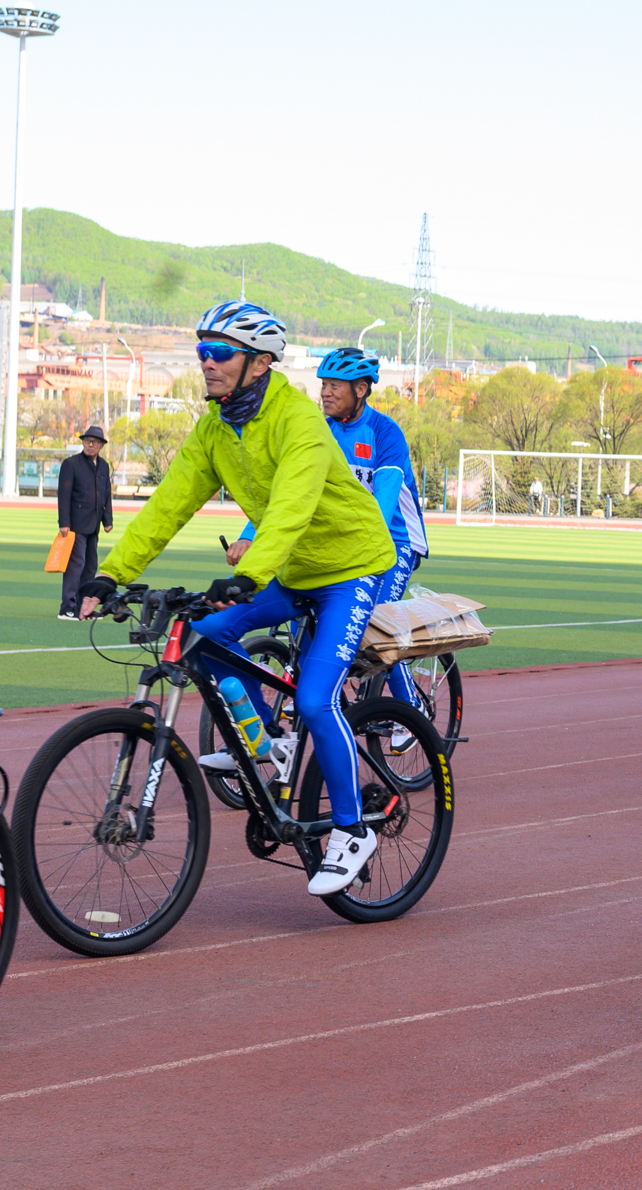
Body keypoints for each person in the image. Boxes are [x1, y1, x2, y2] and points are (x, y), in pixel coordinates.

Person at [79, 300, 395, 897]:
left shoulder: (297, 420)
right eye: (203, 351)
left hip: (351, 569)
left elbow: (291, 507)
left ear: (258, 361)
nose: (207, 363)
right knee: (207, 635)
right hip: (291, 569)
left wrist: (249, 574)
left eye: (219, 352)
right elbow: (169, 504)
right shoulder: (215, 427)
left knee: (316, 697)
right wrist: (112, 574)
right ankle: (268, 740)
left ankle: (353, 831)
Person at [233, 347, 429, 709]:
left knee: (375, 622)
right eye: (324, 384)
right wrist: (248, 536)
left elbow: (382, 507)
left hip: (394, 541)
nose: (325, 392)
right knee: (301, 597)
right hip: (337, 541)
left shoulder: (385, 433)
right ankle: (318, 688)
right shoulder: (319, 433)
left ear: (361, 389)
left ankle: (410, 707)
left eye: (336, 385)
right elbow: (284, 491)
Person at [55, 425, 114, 619]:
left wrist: (108, 520)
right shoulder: (71, 464)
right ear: (82, 442)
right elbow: (64, 495)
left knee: (90, 566)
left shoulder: (104, 466)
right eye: (87, 441)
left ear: (101, 445)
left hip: (94, 525)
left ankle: (83, 607)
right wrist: (64, 522)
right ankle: (67, 607)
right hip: (75, 525)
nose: (90, 445)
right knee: (75, 565)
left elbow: (106, 495)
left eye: (95, 442)